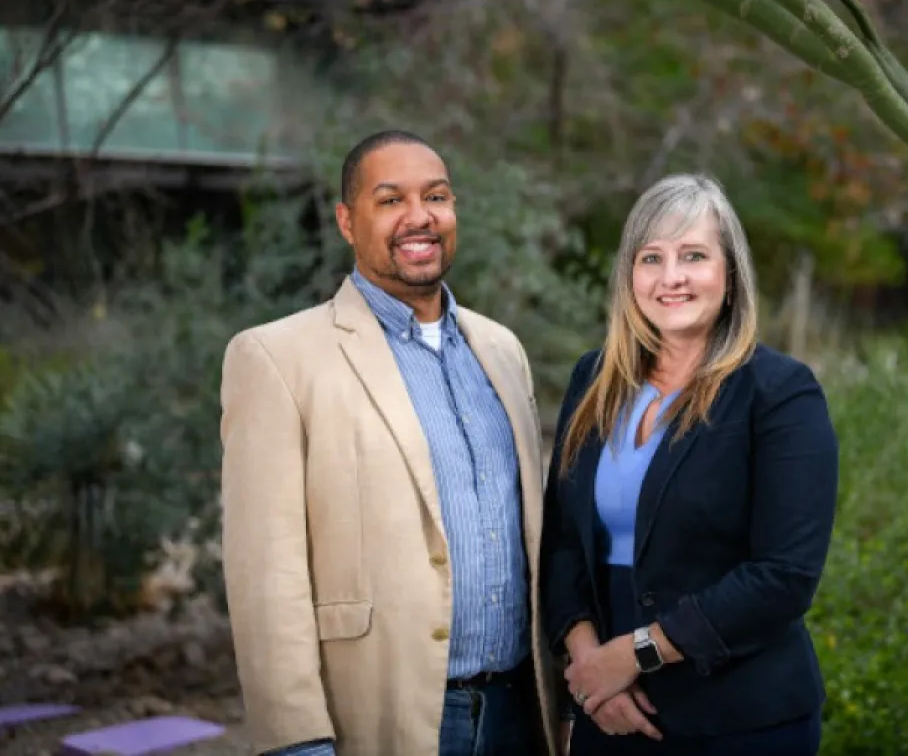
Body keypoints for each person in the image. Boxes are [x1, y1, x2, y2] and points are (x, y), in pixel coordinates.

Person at [219, 130, 561, 756]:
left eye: (436, 196)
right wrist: (296, 740)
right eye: (390, 200)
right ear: (348, 222)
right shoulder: (277, 357)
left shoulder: (502, 351)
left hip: (522, 712)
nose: (419, 217)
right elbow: (266, 574)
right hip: (388, 717)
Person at [539, 173, 840, 756]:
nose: (671, 277)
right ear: (630, 277)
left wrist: (632, 655)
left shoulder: (779, 394)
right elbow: (562, 543)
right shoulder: (593, 381)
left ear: (729, 277)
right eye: (651, 257)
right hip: (610, 718)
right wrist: (591, 672)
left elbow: (784, 575)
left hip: (742, 723)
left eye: (694, 256)